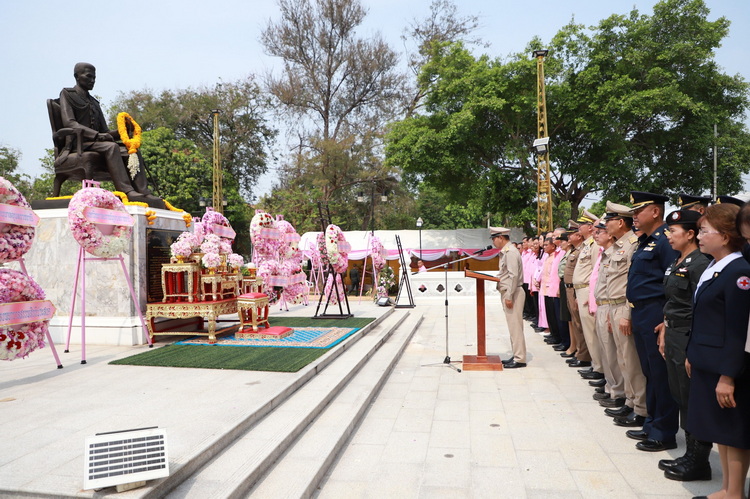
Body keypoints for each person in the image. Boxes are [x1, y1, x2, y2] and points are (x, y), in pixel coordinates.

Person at [687, 203, 750, 499]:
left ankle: (734, 492)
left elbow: (738, 331)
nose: (699, 236)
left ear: (725, 236)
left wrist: (728, 375)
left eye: (704, 231)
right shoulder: (715, 267)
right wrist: (693, 354)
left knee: (733, 431)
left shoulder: (739, 272)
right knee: (720, 429)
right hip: (708, 361)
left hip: (726, 366)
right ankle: (726, 488)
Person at [653, 209, 711, 481]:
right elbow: (673, 302)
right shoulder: (677, 261)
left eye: (673, 231)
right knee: (679, 393)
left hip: (689, 335)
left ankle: (699, 461)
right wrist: (665, 328)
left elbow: (702, 308)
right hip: (674, 333)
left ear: (689, 234)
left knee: (691, 397)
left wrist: (694, 348)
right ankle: (690, 455)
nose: (668, 236)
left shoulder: (700, 264)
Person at [627, 191, 680, 452]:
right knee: (649, 372)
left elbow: (673, 282)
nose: (634, 216)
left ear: (655, 211)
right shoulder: (645, 241)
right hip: (640, 312)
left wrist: (666, 318)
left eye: (639, 211)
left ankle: (664, 432)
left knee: (660, 373)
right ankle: (651, 423)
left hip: (655, 312)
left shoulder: (664, 241)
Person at [59, 63, 158, 202]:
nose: (92, 80)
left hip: (98, 143)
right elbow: (70, 123)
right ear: (77, 76)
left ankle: (143, 191)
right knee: (112, 147)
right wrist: (96, 135)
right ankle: (126, 190)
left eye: (94, 78)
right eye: (88, 76)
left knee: (131, 150)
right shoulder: (68, 94)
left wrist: (123, 130)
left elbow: (105, 131)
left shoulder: (94, 103)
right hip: (80, 144)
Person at [602, 201, 649, 428]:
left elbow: (632, 281)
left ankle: (641, 408)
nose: (606, 225)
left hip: (624, 306)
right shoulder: (617, 246)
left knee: (631, 360)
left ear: (620, 222)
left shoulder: (632, 245)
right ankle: (630, 402)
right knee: (622, 358)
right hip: (613, 306)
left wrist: (627, 314)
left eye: (609, 221)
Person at [491, 226, 527, 368]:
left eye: (494, 239)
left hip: (513, 292)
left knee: (515, 327)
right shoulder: (507, 251)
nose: (493, 242)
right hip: (510, 291)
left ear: (501, 238)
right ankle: (517, 354)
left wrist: (509, 296)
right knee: (513, 327)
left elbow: (513, 275)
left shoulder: (510, 252)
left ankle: (520, 358)